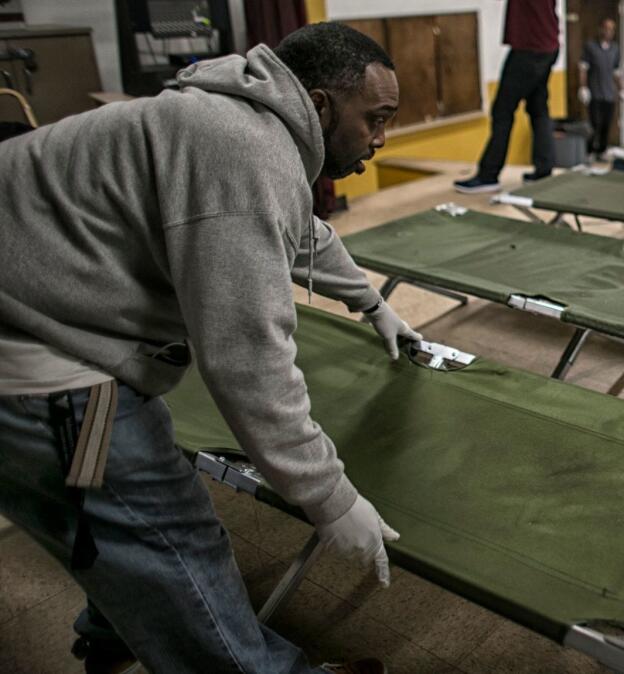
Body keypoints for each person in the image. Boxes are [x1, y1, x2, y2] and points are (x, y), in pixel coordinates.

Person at [0, 23, 415, 674]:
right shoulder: (244, 149)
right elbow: (249, 357)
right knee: (172, 536)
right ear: (323, 104)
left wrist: (371, 301)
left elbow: (299, 230)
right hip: (38, 365)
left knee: (112, 520)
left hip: (37, 326)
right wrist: (329, 496)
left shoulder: (234, 120)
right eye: (377, 119)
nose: (381, 138)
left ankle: (113, 637)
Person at [455, 0, 559, 193]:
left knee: (502, 111)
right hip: (549, 45)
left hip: (529, 48)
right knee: (538, 109)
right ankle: (544, 170)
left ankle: (489, 175)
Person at [579, 18, 622, 157]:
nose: (608, 32)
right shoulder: (590, 47)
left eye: (611, 29)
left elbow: (616, 71)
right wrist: (583, 87)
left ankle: (602, 151)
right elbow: (583, 68)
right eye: (606, 28)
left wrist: (621, 89)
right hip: (595, 92)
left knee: (606, 124)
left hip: (609, 94)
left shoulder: (615, 49)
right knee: (594, 124)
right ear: (600, 29)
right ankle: (589, 151)